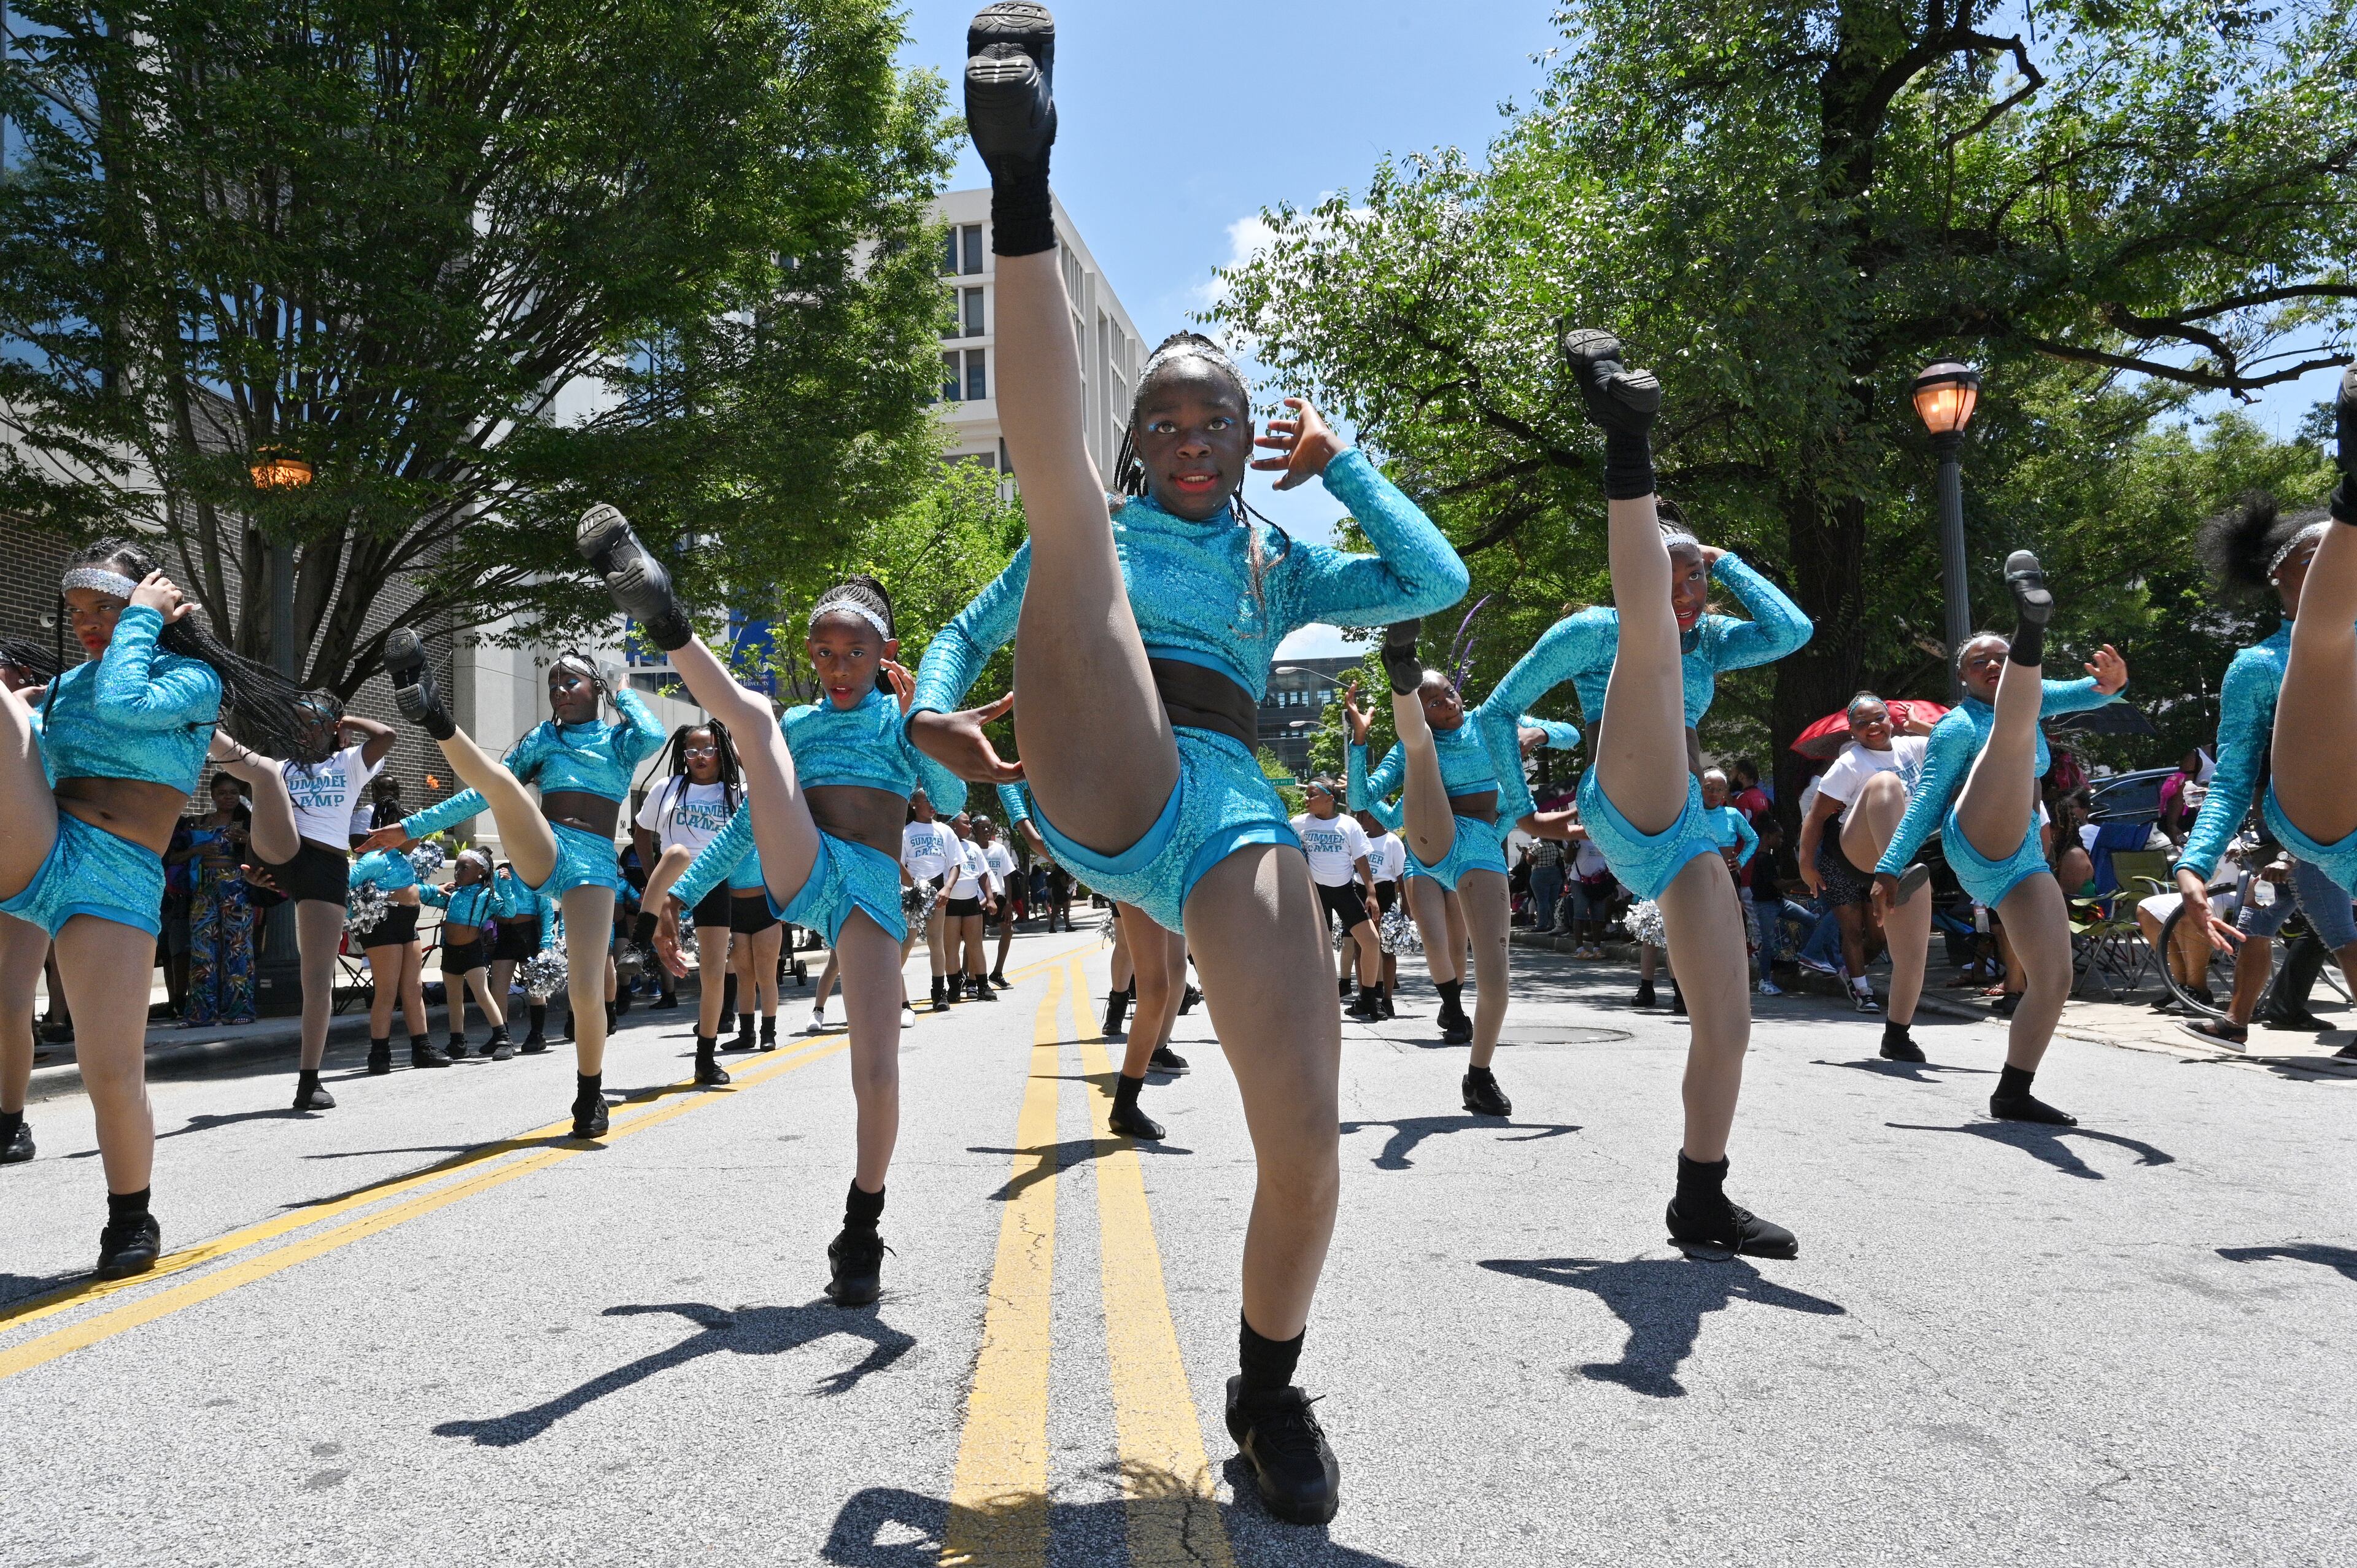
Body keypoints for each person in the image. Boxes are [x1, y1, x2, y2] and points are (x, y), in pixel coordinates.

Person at [912, 9, 1472, 1523]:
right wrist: (931, 723)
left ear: (1241, 436)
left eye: (1213, 414)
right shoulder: (1090, 524)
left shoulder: (1278, 568)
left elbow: (1426, 578)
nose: (1185, 431)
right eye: (1158, 414)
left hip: (1226, 812)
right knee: (1063, 536)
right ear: (1136, 439)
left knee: (1304, 1136)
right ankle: (1018, 173)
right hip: (1095, 748)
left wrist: (1342, 463)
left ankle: (1266, 1389)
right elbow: (960, 641)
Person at [579, 494, 969, 1302]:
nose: (836, 666)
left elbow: (950, 794)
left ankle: (863, 1222)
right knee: (752, 718)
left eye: (853, 652)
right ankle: (661, 607)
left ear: (884, 652)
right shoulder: (795, 722)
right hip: (807, 867)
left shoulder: (904, 721)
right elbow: (751, 826)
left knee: (878, 1068)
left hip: (868, 895)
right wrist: (681, 895)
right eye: (822, 652)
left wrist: (917, 716)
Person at [1539, 328, 1808, 1258]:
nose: (1689, 582)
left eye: (1696, 571)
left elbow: (1796, 627)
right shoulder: (1603, 622)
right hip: (1623, 790)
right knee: (1645, 640)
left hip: (1688, 826)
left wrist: (1727, 562)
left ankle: (1701, 1195)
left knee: (1728, 1025)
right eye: (1677, 565)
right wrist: (1514, 808)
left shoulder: (1722, 635)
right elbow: (1496, 709)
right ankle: (1624, 433)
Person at [0, 543, 311, 1270]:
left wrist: (138, 620)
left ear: (155, 605)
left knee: (109, 1067)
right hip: (44, 841)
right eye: (77, 612)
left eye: (104, 608)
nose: (85, 625)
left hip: (115, 873)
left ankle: (130, 1215)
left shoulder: (192, 682)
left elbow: (123, 702)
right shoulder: (70, 685)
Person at [363, 636, 663, 1139]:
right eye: (553, 683)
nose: (561, 690)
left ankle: (590, 1093)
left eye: (571, 680)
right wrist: (413, 827)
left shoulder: (619, 741)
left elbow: (653, 733)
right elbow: (484, 790)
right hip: (544, 847)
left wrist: (625, 688)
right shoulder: (542, 739)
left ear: (596, 689)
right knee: (503, 783)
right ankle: (435, 713)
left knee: (588, 989)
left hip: (594, 865)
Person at [1875, 598, 2130, 1124]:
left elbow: (2094, 691)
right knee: (2011, 729)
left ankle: (2013, 1091)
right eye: (1979, 662)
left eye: (2003, 658)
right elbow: (1925, 801)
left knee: (2053, 978)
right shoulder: (1956, 726)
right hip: (1973, 840)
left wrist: (2114, 683)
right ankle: (2032, 622)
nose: (1992, 666)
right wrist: (1889, 864)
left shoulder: (2031, 700)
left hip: (2021, 860)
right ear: (1963, 678)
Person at [2174, 488, 2357, 1054]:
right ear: (2281, 577)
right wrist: (2194, 864)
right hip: (2309, 828)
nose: (2338, 571)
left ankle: (2235, 1019)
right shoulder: (2257, 666)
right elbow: (2230, 780)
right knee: (2270, 925)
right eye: (2319, 561)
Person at [206, 697, 395, 1106]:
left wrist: (346, 721)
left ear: (332, 726)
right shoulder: (284, 767)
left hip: (324, 869)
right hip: (278, 850)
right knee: (265, 772)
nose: (303, 731)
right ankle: (200, 726)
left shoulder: (347, 763)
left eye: (313, 723)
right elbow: (259, 778)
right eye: (298, 723)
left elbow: (387, 736)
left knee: (316, 982)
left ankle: (309, 1082)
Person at [1796, 694, 1933, 1036]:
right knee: (1885, 783)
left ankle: (1897, 1035)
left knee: (1912, 955)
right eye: (1862, 723)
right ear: (1852, 731)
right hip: (1858, 851)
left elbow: (1963, 746)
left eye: (1878, 719)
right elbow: (1815, 816)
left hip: (1905, 856)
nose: (1873, 727)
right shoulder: (1851, 763)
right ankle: (1892, 873)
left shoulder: (1912, 747)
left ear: (1891, 720)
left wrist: (1919, 726)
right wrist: (1805, 865)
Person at [632, 722, 746, 1078]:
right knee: (678, 852)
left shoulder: (738, 792)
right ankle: (639, 946)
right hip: (671, 879)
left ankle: (705, 1058)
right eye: (692, 751)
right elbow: (642, 831)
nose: (700, 757)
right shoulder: (667, 788)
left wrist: (737, 754)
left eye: (709, 749)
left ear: (722, 752)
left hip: (714, 880)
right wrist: (653, 879)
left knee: (713, 973)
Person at [1290, 778, 1384, 1021]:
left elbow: (1361, 860)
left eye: (1312, 795)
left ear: (1330, 799)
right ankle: (1318, 1001)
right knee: (1319, 951)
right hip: (1316, 893)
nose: (1306, 799)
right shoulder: (1299, 824)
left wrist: (1372, 894)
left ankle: (1368, 999)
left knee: (1372, 942)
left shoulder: (1349, 824)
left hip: (1344, 891)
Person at [176, 772, 258, 1029]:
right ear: (212, 795)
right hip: (204, 890)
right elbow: (174, 858)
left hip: (237, 889)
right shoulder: (197, 823)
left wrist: (249, 841)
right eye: (223, 793)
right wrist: (196, 850)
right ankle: (202, 1013)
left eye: (234, 793)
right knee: (203, 951)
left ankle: (239, 1009)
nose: (229, 797)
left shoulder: (250, 823)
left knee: (238, 949)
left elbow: (272, 851)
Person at [347, 845, 441, 1071]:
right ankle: (379, 1054)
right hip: (383, 925)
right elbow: (346, 882)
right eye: (413, 832)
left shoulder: (405, 858)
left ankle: (422, 1049)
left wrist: (435, 891)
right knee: (387, 991)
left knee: (414, 988)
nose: (418, 838)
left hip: (408, 925)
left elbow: (411, 888)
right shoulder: (375, 859)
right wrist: (358, 915)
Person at [487, 862, 560, 1051]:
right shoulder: (500, 873)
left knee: (535, 986)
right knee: (498, 988)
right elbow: (492, 901)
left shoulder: (534, 873)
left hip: (528, 933)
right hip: (504, 933)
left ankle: (537, 1034)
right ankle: (501, 1035)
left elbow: (545, 910)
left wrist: (546, 943)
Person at [902, 789, 959, 1011]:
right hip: (912, 890)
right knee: (907, 943)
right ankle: (892, 987)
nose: (931, 804)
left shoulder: (945, 831)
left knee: (936, 942)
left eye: (934, 800)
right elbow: (899, 863)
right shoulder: (905, 833)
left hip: (938, 890)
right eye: (927, 800)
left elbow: (955, 864)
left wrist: (947, 888)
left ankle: (939, 993)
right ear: (914, 803)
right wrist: (914, 888)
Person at [942, 812, 997, 1002]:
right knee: (951, 948)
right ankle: (955, 984)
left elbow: (983, 875)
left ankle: (983, 985)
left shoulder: (973, 847)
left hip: (971, 902)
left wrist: (990, 899)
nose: (970, 827)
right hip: (950, 904)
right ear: (953, 826)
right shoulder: (945, 846)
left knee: (975, 946)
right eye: (966, 824)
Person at [1358, 809, 1406, 1015]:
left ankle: (1387, 999)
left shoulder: (1392, 841)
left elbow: (1402, 875)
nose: (1358, 818)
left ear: (1372, 816)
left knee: (1387, 949)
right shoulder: (1360, 839)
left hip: (1385, 892)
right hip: (1360, 891)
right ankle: (1364, 997)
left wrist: (1407, 905)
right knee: (1362, 946)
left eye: (1361, 814)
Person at [976, 815, 1021, 987]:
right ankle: (967, 977)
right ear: (975, 829)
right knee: (975, 937)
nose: (987, 831)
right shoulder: (972, 848)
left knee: (1008, 931)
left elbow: (1008, 877)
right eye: (982, 827)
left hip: (998, 898)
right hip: (978, 898)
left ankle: (997, 973)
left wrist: (1010, 903)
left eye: (989, 827)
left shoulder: (1000, 849)